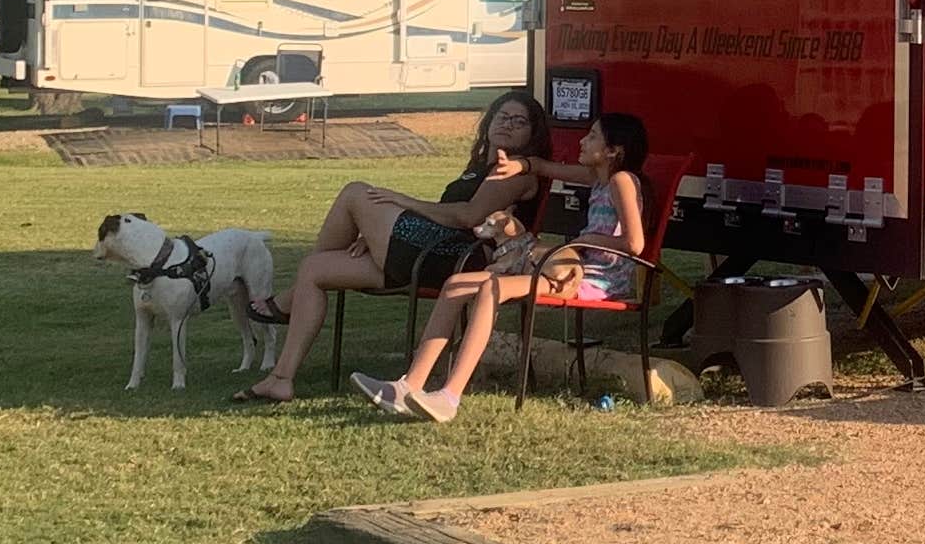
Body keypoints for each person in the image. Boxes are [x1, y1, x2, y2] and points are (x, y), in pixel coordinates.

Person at [232, 88, 554, 404]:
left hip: (458, 259)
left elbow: (468, 216)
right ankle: (281, 379)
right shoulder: (478, 167)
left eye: (519, 121)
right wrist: (373, 234)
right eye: (503, 116)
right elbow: (449, 213)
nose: (508, 124)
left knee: (356, 193)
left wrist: (405, 203)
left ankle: (287, 302)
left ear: (532, 134)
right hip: (427, 250)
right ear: (489, 121)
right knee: (314, 270)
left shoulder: (513, 172)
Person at [358, 111, 653, 423]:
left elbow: (635, 245)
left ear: (613, 151)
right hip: (568, 267)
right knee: (456, 284)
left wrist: (587, 239)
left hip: (597, 280)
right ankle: (407, 386)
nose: (582, 140)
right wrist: (520, 165)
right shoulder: (598, 178)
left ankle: (450, 396)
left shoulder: (621, 181)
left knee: (492, 287)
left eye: (592, 136)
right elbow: (542, 167)